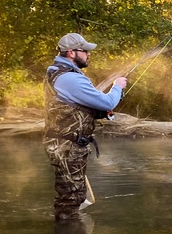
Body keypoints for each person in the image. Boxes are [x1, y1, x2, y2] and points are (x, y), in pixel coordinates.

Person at [43, 32, 127, 220]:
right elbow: (107, 103)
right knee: (71, 200)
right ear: (71, 53)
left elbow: (69, 106)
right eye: (85, 51)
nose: (89, 54)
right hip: (68, 146)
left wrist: (94, 114)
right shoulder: (69, 78)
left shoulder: (56, 72)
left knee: (72, 196)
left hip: (63, 144)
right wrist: (117, 86)